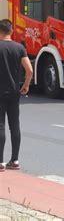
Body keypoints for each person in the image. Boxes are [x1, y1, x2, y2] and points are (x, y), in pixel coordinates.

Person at [0, 19, 33, 172]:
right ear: (11, 31)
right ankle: (14, 160)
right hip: (14, 93)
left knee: (0, 126)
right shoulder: (19, 48)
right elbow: (30, 70)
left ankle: (0, 163)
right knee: (15, 126)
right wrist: (25, 86)